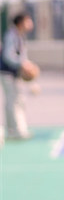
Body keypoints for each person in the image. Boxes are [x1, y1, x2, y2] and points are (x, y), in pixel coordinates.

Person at [1, 12, 36, 143]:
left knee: (18, 100)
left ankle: (15, 129)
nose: (30, 23)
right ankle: (15, 130)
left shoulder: (19, 36)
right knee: (13, 101)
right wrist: (22, 64)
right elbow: (8, 56)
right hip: (7, 73)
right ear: (21, 23)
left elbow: (21, 56)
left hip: (14, 73)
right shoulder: (12, 35)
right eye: (28, 21)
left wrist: (26, 65)